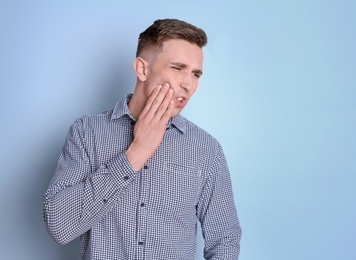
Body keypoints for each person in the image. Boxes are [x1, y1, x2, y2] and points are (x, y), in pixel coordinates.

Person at [43, 18, 241, 260]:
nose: (188, 84)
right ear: (142, 69)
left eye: (196, 74)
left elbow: (225, 240)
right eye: (177, 68)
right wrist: (136, 153)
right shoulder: (87, 133)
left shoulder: (206, 149)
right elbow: (59, 226)